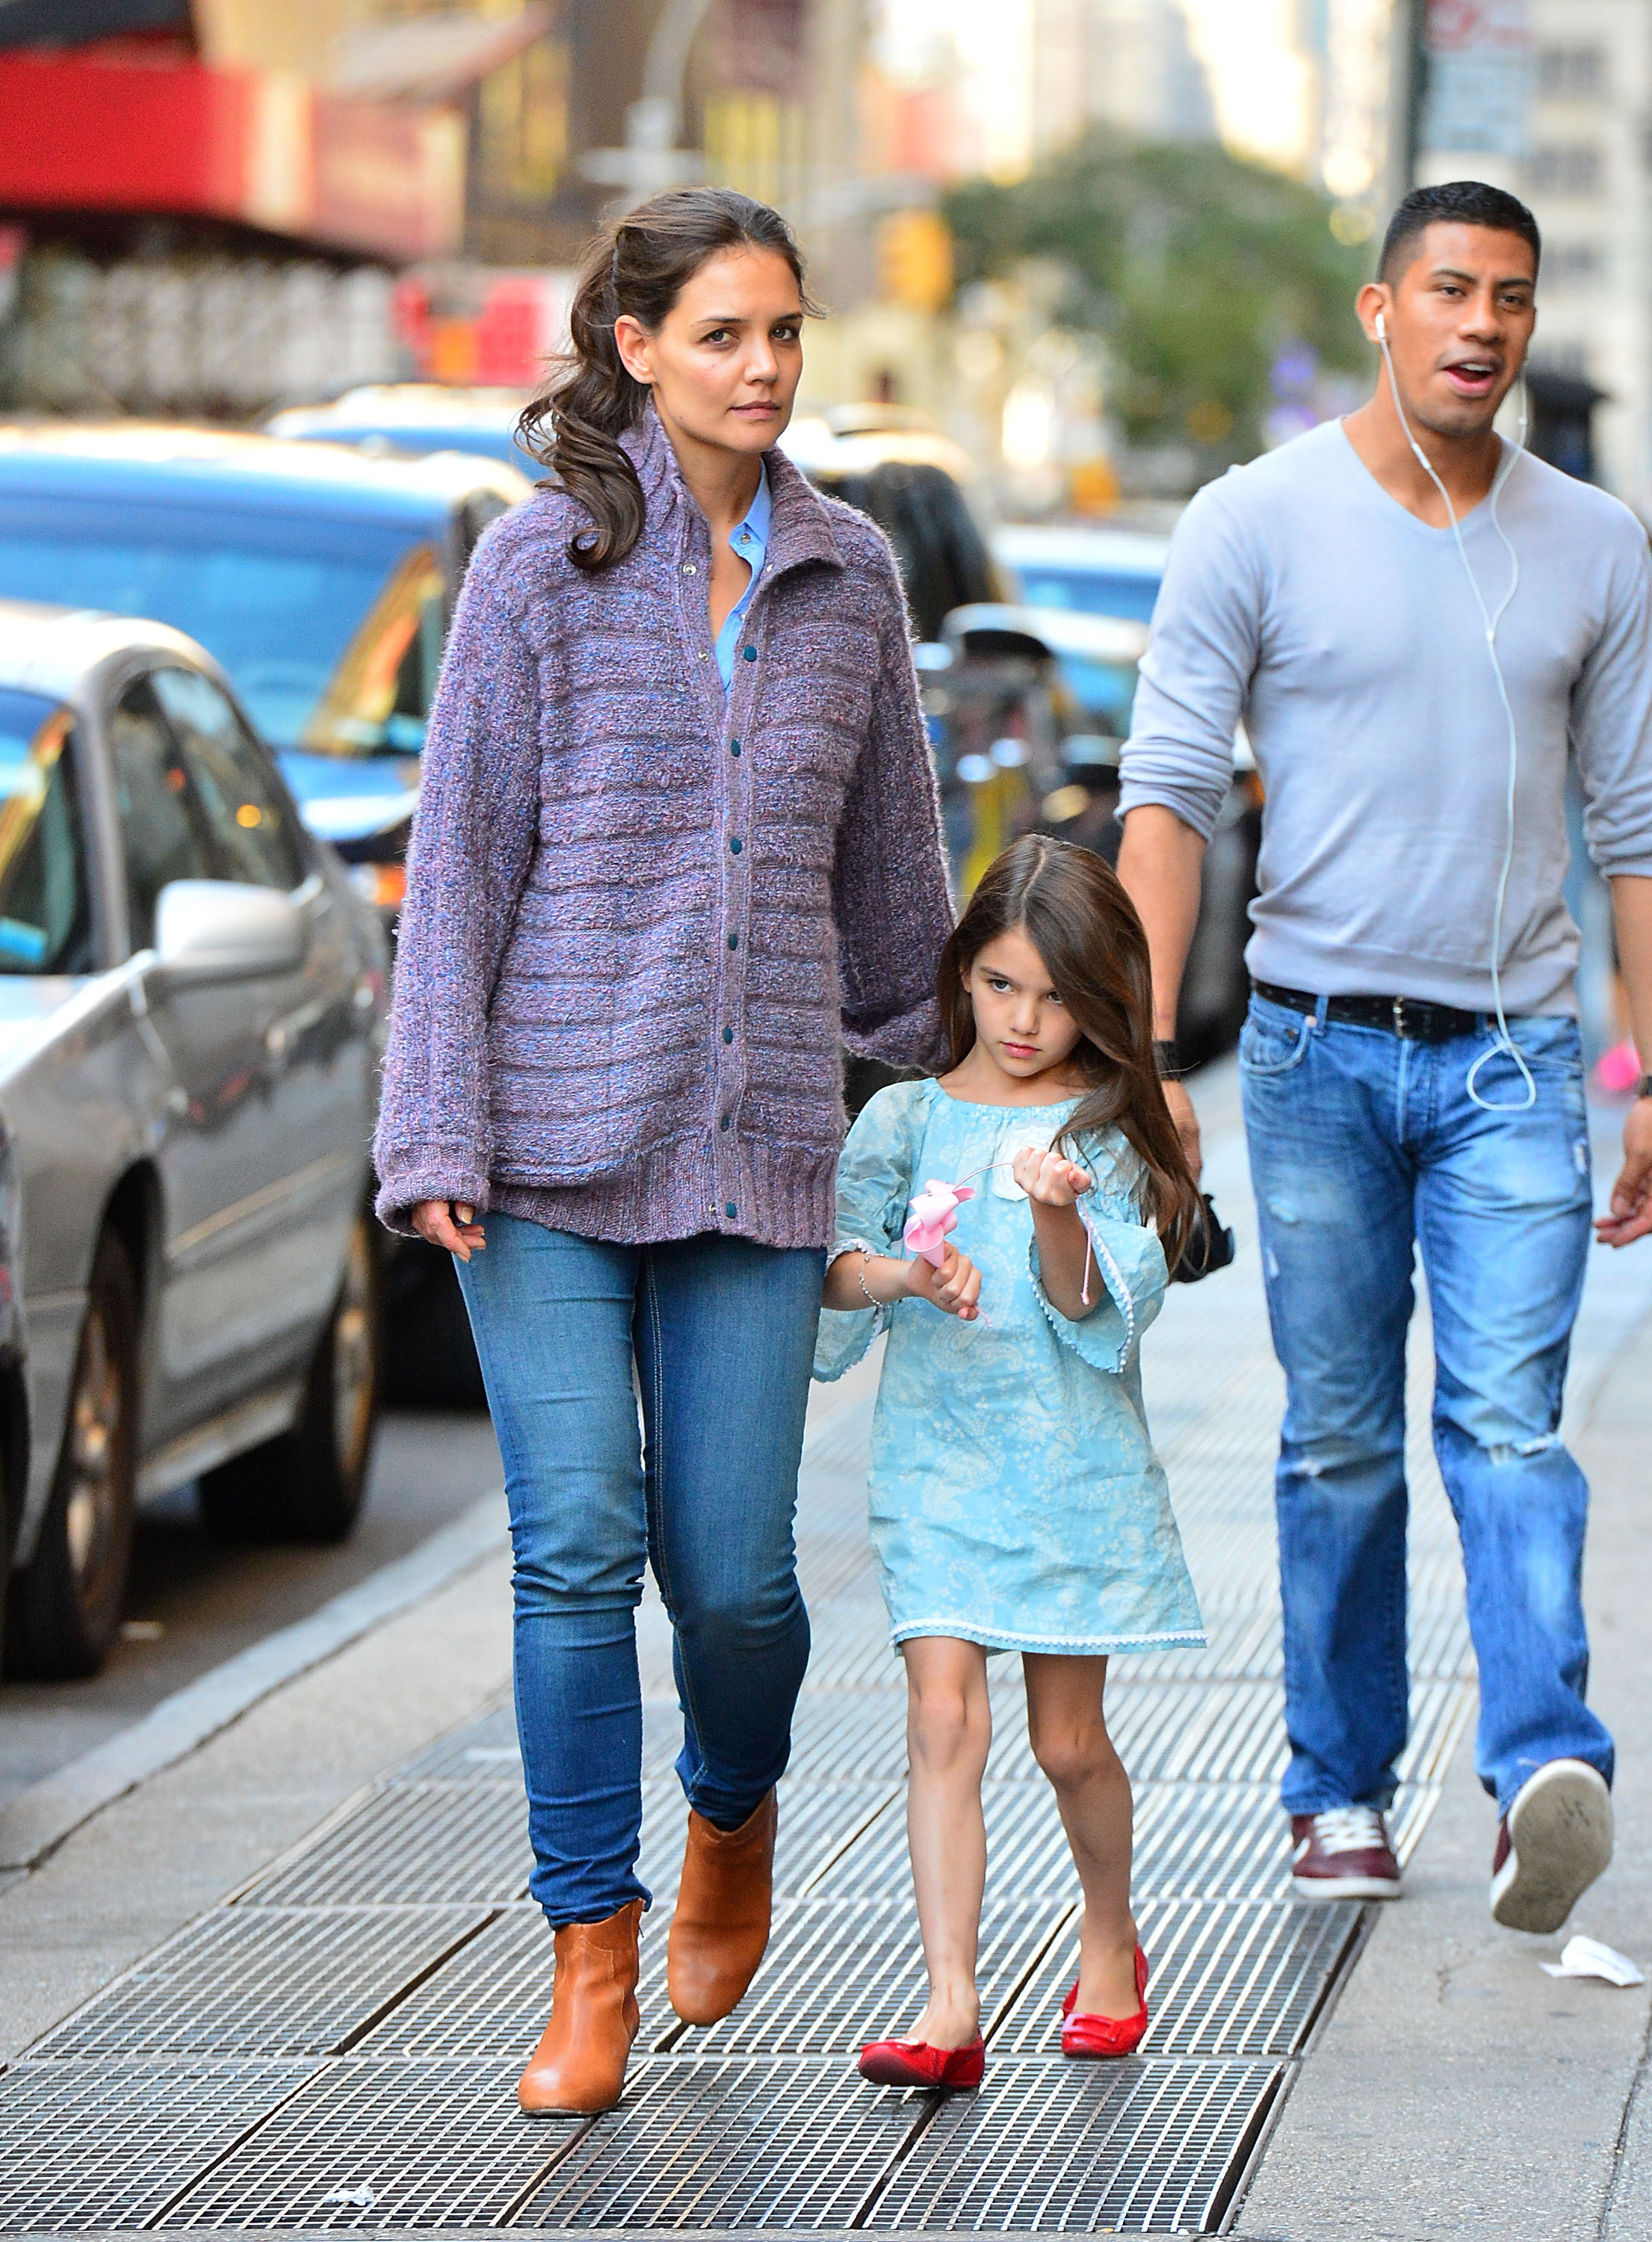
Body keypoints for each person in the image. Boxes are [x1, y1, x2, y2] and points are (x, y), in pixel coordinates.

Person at [372, 186, 954, 2113]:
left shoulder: (851, 575)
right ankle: (585, 1960)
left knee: (733, 1585)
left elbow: (895, 885)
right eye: (722, 333)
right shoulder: (537, 571)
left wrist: (893, 1092)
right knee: (572, 1556)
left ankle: (730, 1809)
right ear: (631, 348)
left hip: (759, 1156)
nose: (763, 366)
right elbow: (453, 870)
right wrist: (435, 1126)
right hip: (544, 1152)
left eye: (783, 331)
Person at [1116, 180, 1652, 1930]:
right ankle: (1335, 1787)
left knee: (1507, 1424)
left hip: (1514, 1061)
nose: (1479, 324)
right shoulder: (1248, 520)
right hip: (1312, 1056)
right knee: (1337, 1439)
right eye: (1446, 289)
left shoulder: (1596, 544)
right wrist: (1136, 1062)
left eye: (1507, 295)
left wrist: (1646, 1072)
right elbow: (1170, 791)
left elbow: (1632, 822)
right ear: (1376, 308)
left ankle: (1537, 1775)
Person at [814, 835, 1204, 2088]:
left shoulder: (1104, 1131)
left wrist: (1051, 1211)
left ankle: (1109, 1938)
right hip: (937, 1462)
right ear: (959, 977)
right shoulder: (905, 1119)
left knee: (1068, 1746)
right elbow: (833, 1276)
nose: (1026, 1020)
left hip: (1068, 1469)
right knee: (941, 1720)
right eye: (998, 985)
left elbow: (1099, 1313)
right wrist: (903, 1273)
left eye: (1055, 995)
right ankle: (948, 2006)